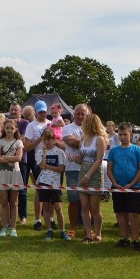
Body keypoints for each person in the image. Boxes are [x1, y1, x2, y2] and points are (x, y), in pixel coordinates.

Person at [106, 122, 140, 251]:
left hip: (134, 187)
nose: (122, 137)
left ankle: (136, 240)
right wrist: (115, 184)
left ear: (131, 135)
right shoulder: (113, 150)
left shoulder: (137, 149)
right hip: (117, 187)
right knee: (121, 213)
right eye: (120, 134)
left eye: (125, 134)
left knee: (134, 214)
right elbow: (109, 169)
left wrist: (132, 184)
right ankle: (124, 239)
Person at [72, 113, 107, 243]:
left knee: (95, 208)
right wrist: (75, 158)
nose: (82, 123)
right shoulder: (83, 139)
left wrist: (88, 175)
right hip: (83, 171)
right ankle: (88, 234)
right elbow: (81, 159)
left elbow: (99, 160)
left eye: (85, 122)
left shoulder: (99, 139)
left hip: (95, 173)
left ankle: (98, 234)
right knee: (85, 206)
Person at [35, 128, 69, 241]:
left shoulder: (59, 152)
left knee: (58, 207)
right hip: (43, 182)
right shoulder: (39, 153)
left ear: (53, 139)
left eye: (48, 139)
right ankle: (49, 231)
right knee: (46, 207)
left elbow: (60, 169)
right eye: (44, 140)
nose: (46, 142)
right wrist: (44, 154)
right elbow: (41, 165)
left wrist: (47, 167)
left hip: (55, 183)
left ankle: (62, 231)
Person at [62, 104, 89, 238]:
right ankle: (72, 227)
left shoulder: (91, 129)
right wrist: (88, 141)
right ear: (74, 114)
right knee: (73, 199)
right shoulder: (67, 128)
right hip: (72, 168)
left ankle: (87, 229)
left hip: (89, 169)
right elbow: (71, 142)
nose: (80, 116)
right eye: (78, 113)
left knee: (88, 201)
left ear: (87, 115)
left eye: (83, 114)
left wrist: (80, 141)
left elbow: (79, 143)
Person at [0, 118, 24, 237]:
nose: (9, 130)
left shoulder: (19, 142)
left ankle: (13, 227)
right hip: (2, 175)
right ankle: (4, 226)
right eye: (7, 128)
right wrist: (4, 158)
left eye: (12, 128)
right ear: (4, 128)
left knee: (14, 202)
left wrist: (3, 158)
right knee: (3, 202)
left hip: (15, 174)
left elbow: (18, 158)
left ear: (16, 129)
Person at [25, 100, 51, 231]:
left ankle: (50, 219)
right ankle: (38, 220)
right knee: (40, 191)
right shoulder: (31, 126)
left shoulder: (50, 123)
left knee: (52, 190)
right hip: (38, 161)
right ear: (35, 112)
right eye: (40, 111)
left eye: (44, 111)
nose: (42, 114)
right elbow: (27, 147)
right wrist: (41, 137)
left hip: (52, 161)